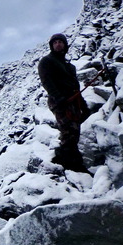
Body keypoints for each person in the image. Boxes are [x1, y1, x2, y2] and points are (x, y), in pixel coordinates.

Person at [38, 33, 90, 172]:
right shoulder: (47, 61)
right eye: (55, 42)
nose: (58, 44)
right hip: (59, 101)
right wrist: (58, 97)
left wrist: (83, 105)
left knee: (74, 131)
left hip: (73, 100)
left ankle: (69, 162)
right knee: (68, 131)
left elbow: (75, 86)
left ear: (65, 45)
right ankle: (70, 166)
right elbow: (46, 81)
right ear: (51, 46)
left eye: (60, 42)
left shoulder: (70, 66)